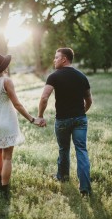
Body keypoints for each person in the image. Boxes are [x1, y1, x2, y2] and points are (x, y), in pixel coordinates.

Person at [0, 53, 41, 197]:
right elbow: (17, 104)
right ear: (3, 67)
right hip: (7, 122)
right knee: (7, 157)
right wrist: (32, 119)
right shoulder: (6, 81)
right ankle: (5, 191)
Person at [38, 48, 92, 197]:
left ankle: (63, 177)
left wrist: (40, 115)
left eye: (56, 58)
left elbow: (44, 98)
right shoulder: (82, 76)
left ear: (64, 59)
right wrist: (81, 114)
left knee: (64, 149)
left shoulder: (54, 77)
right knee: (81, 150)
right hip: (80, 119)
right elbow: (89, 100)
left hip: (62, 120)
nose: (54, 60)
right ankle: (85, 188)